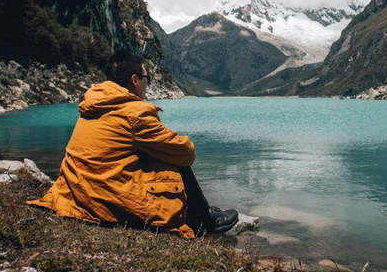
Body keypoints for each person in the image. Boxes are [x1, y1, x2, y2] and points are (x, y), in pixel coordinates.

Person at [28, 49, 238, 238]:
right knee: (172, 155)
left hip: (78, 194)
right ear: (135, 80)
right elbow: (186, 152)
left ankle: (204, 212)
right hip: (106, 198)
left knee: (154, 150)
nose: (149, 83)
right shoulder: (134, 112)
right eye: (148, 78)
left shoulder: (93, 104)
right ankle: (204, 219)